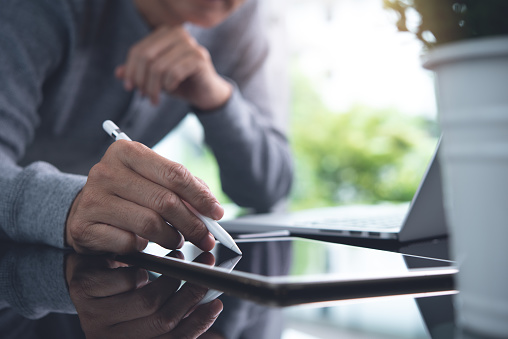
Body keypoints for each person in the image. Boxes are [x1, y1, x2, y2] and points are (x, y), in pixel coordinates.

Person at [0, 0, 292, 254]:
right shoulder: (36, 8)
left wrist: (217, 99)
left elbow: (270, 187)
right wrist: (70, 207)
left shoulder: (243, 18)